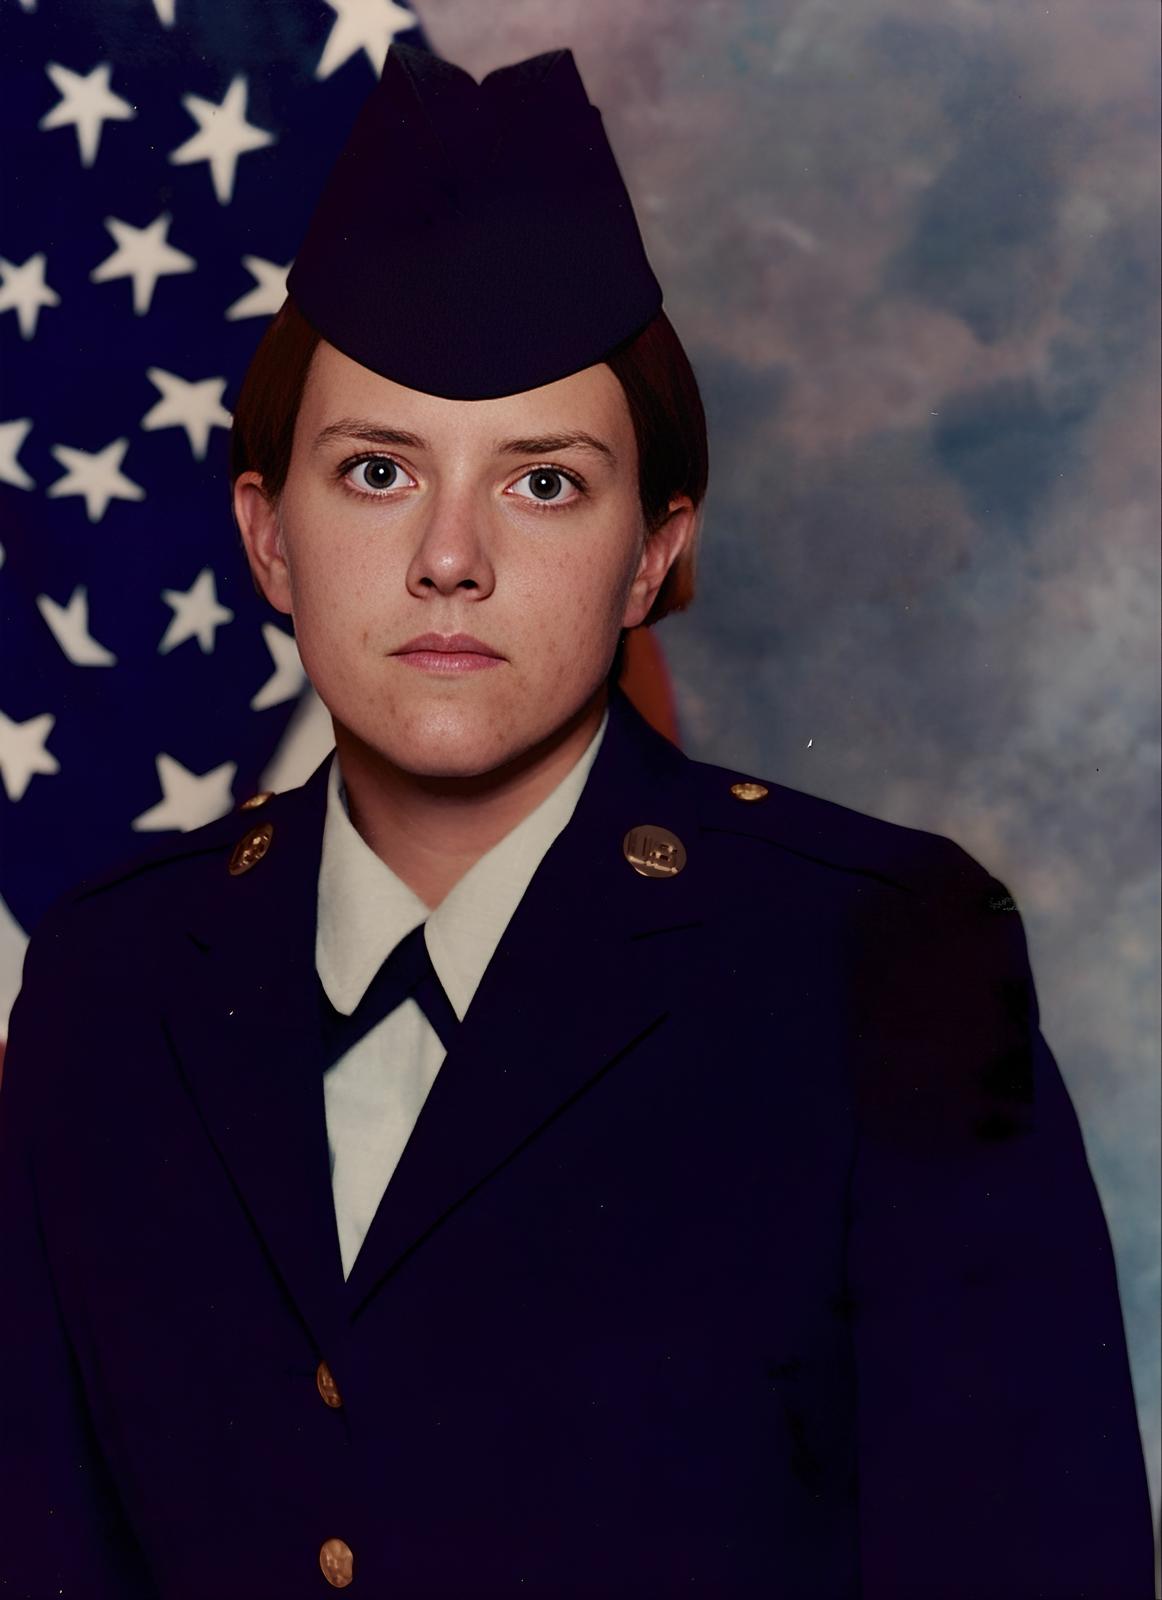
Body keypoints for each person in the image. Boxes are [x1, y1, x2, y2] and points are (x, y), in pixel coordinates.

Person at [0, 40, 1153, 1600]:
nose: (450, 558)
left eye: (543, 483)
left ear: (651, 553)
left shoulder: (877, 960)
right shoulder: (108, 981)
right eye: (375, 471)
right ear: (266, 539)